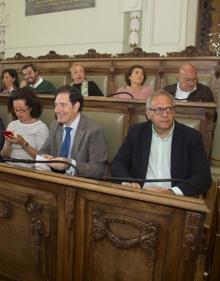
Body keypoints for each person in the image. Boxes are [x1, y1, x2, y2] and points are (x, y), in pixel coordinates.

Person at [111, 90, 211, 197]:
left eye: (169, 109)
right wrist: (129, 183)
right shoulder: (136, 133)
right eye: (159, 110)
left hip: (175, 199)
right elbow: (118, 163)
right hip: (140, 194)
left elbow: (203, 177)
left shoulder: (191, 137)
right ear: (149, 114)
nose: (165, 114)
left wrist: (172, 192)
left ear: (174, 112)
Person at [38, 85, 108, 179]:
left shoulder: (94, 130)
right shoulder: (55, 126)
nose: (56, 110)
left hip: (81, 183)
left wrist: (69, 165)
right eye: (56, 105)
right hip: (55, 179)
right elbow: (43, 151)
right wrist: (44, 157)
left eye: (62, 105)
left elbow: (98, 169)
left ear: (76, 106)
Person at [1, 87, 49, 168]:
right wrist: (8, 144)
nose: (19, 113)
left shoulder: (41, 128)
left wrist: (23, 143)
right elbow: (4, 156)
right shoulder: (12, 125)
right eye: (16, 110)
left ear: (30, 108)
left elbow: (42, 159)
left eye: (22, 110)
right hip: (9, 167)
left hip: (29, 169)